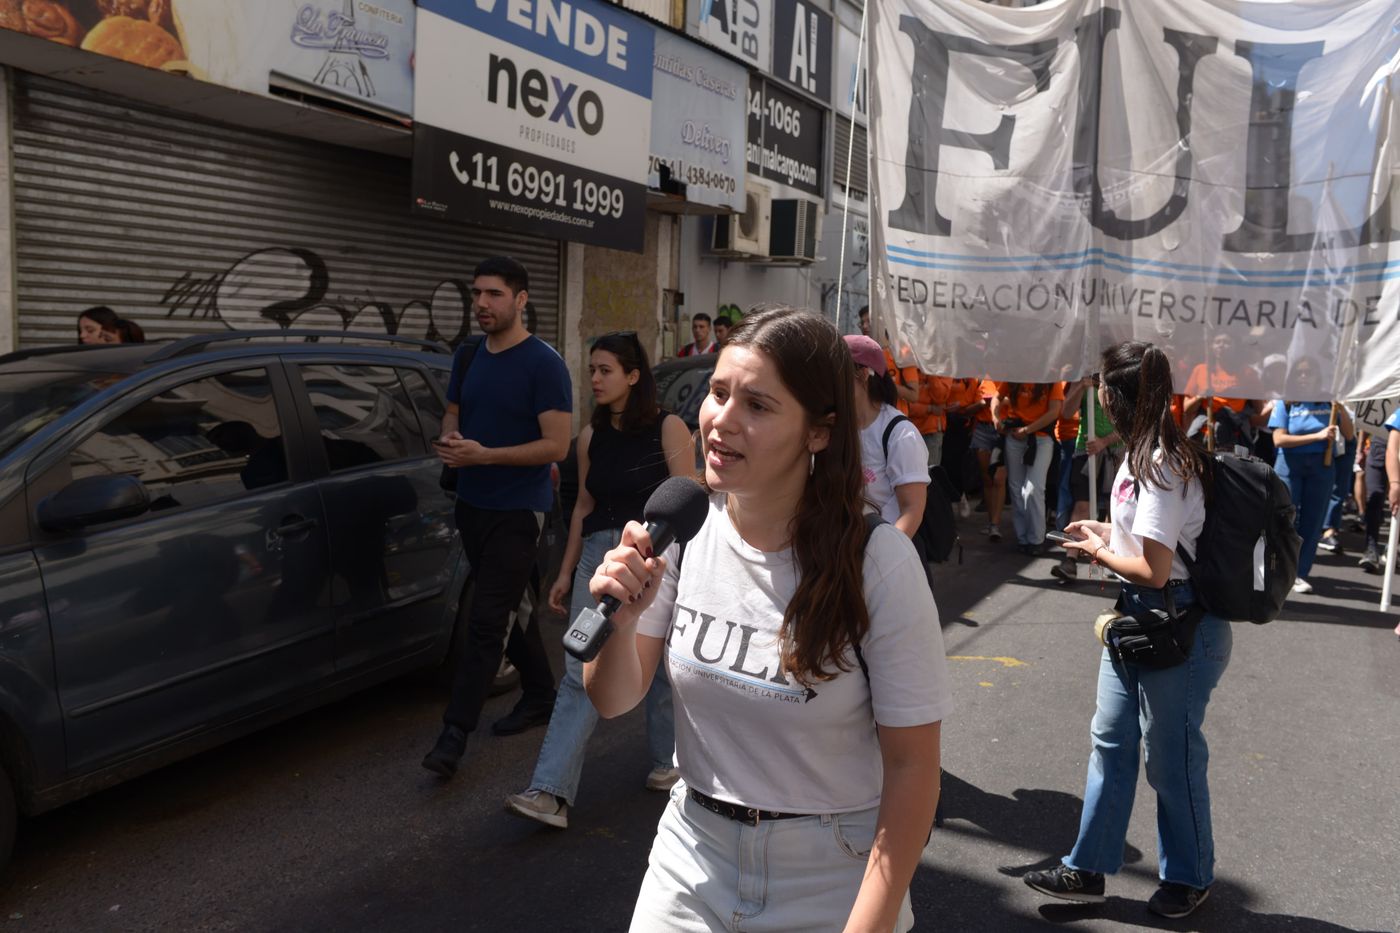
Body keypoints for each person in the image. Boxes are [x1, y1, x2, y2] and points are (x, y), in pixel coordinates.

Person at [585, 307, 951, 933]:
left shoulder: (878, 561)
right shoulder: (679, 530)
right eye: (718, 393)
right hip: (690, 853)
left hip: (831, 870)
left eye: (757, 406)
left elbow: (914, 768)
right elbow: (614, 699)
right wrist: (618, 624)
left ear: (818, 432)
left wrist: (870, 924)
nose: (720, 421)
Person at [1025, 340, 1230, 920]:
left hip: (1179, 623)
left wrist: (1097, 548)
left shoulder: (1161, 463)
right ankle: (1086, 870)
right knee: (1110, 740)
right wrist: (1105, 532)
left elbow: (1155, 567)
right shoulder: (1142, 451)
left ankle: (1190, 877)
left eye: (1104, 393)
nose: (1099, 403)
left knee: (1170, 759)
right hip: (1140, 617)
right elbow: (1143, 545)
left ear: (1120, 398)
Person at [504, 332, 693, 829]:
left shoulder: (669, 428)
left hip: (654, 559)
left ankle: (667, 761)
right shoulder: (590, 436)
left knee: (659, 665)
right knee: (578, 667)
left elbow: (689, 501)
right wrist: (566, 572)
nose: (594, 379)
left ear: (634, 375)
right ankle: (550, 791)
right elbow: (583, 507)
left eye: (605, 369)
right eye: (591, 369)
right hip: (597, 556)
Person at [422, 256, 572, 778]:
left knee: (489, 620)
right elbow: (454, 411)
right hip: (473, 505)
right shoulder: (467, 355)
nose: (482, 304)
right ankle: (539, 695)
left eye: (494, 294)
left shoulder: (544, 364)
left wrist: (484, 455)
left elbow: (556, 445)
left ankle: (453, 735)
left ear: (521, 299)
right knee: (515, 607)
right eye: (477, 294)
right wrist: (452, 436)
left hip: (519, 509)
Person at [1268, 361, 1353, 594]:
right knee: (1284, 520)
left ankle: (1299, 573)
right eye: (1300, 372)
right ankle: (1277, 570)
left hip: (1322, 467)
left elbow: (1349, 434)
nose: (1305, 377)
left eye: (1310, 372)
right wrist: (1318, 436)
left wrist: (1341, 408)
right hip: (1289, 466)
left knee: (1312, 523)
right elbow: (1279, 440)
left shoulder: (1329, 403)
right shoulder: (1286, 402)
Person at [844, 335, 930, 547]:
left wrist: (883, 556)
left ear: (863, 374)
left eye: (836, 374)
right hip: (845, 551)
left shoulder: (900, 434)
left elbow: (912, 510)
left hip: (884, 554)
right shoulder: (836, 426)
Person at [1050, 375, 1122, 585]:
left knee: (1114, 508)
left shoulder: (1120, 380)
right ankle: (1070, 560)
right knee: (1081, 504)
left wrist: (1105, 441)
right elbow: (1066, 412)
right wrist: (1081, 385)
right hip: (1086, 450)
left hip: (1115, 452)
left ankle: (1112, 558)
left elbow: (1132, 422)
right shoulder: (1083, 379)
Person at [992, 381, 1064, 554]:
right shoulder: (1017, 373)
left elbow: (1055, 411)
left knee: (1033, 488)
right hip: (1014, 436)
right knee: (1016, 488)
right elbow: (996, 397)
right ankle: (1023, 537)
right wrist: (996, 418)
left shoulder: (1051, 377)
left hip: (1041, 438)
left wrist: (1028, 429)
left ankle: (1036, 539)